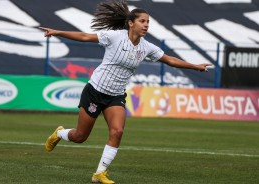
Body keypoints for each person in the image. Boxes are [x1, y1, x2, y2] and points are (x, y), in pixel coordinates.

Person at [40, 0, 211, 183]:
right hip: (95, 92)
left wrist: (195, 66)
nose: (146, 25)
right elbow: (84, 37)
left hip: (116, 96)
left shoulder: (147, 47)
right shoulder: (115, 37)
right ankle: (59, 134)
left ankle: (100, 173)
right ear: (131, 23)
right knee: (80, 136)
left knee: (117, 131)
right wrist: (57, 32)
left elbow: (170, 60)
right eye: (142, 21)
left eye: (148, 22)